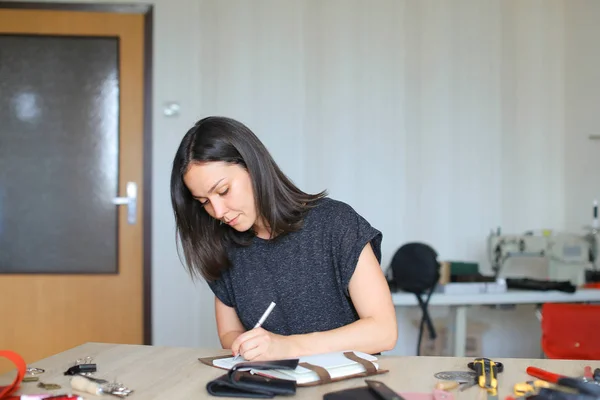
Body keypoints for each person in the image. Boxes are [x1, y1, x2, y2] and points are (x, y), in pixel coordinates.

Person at [170, 116, 398, 361]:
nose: (218, 212)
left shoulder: (335, 223)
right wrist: (249, 346)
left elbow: (384, 331)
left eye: (223, 191)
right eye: (204, 201)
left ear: (253, 167)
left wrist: (290, 347)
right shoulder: (224, 245)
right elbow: (229, 331)